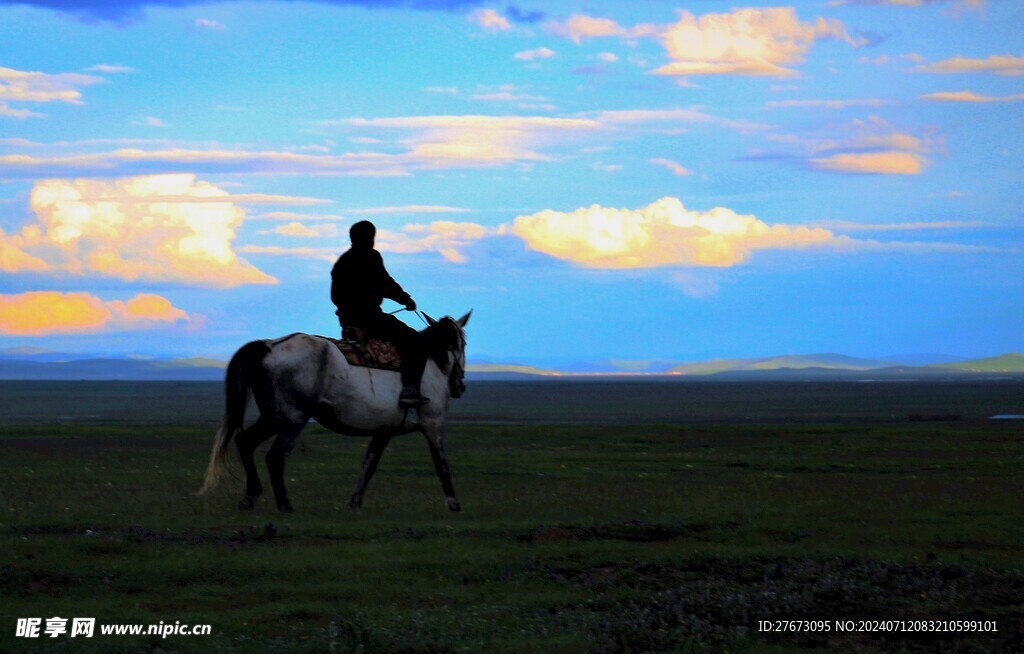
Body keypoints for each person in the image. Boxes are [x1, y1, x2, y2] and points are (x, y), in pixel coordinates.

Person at [331, 221, 429, 408]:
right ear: (368, 237)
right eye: (371, 237)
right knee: (415, 341)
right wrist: (405, 299)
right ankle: (410, 390)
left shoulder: (342, 262)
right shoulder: (371, 256)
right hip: (370, 318)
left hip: (346, 321)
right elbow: (385, 283)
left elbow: (335, 297)